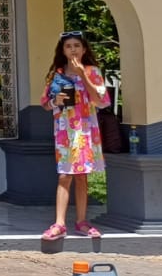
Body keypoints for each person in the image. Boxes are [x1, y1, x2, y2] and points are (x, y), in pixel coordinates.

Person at [40, 31, 112, 241]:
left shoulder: (93, 72)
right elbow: (45, 103)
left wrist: (83, 76)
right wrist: (56, 102)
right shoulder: (57, 74)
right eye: (68, 46)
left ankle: (82, 221)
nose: (73, 49)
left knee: (82, 176)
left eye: (77, 45)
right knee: (64, 175)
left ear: (84, 49)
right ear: (63, 51)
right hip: (65, 131)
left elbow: (101, 101)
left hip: (86, 129)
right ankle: (59, 223)